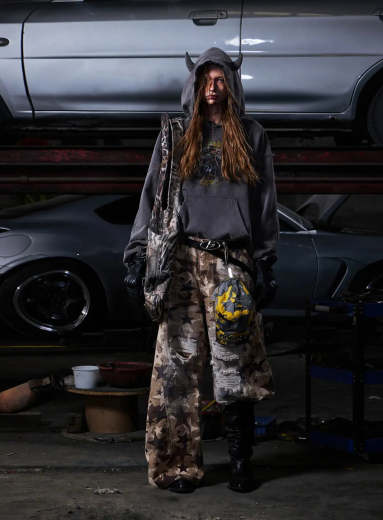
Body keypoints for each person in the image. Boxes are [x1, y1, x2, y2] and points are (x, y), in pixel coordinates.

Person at [123, 47, 279, 494]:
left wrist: (265, 260)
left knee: (237, 366)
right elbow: (152, 197)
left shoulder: (251, 135)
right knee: (176, 368)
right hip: (180, 262)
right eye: (205, 80)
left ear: (232, 84)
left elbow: (265, 203)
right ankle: (177, 467)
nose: (212, 88)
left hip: (231, 263)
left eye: (220, 79)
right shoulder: (174, 135)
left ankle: (240, 462)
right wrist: (137, 253)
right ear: (193, 85)